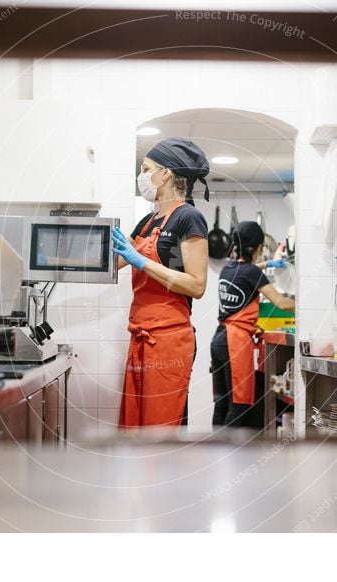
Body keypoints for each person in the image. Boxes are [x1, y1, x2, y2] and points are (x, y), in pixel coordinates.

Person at [112, 137, 211, 428]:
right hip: (140, 336)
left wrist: (142, 261)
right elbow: (111, 262)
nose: (142, 176)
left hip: (168, 341)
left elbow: (196, 285)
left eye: (146, 168)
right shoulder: (147, 221)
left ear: (165, 173)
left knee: (160, 432)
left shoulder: (189, 218)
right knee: (134, 429)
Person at [211, 221, 295, 427]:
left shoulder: (227, 269)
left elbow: (247, 271)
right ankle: (232, 456)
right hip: (235, 342)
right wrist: (307, 306)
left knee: (221, 403)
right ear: (258, 248)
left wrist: (267, 265)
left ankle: (215, 454)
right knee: (239, 405)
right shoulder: (251, 273)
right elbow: (282, 303)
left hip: (219, 339)